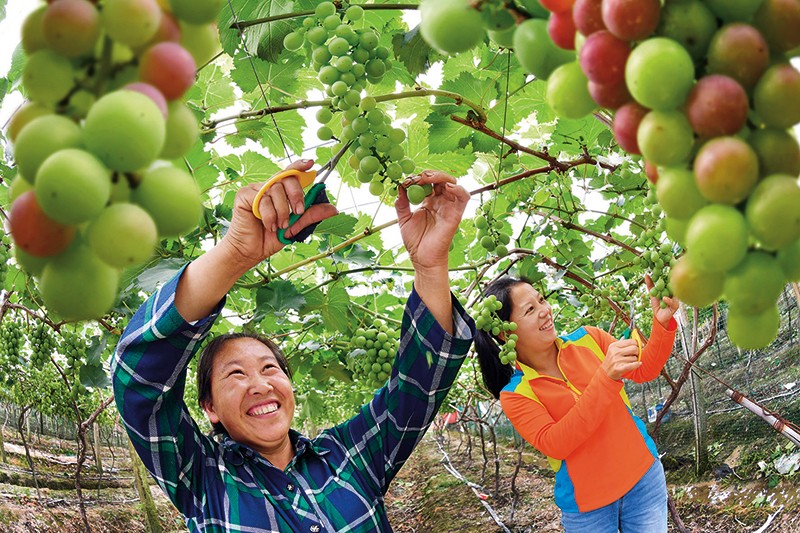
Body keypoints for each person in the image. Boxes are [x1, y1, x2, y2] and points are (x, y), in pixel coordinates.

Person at [112, 160, 474, 532]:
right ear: (210, 408)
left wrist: (430, 266)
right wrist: (236, 253)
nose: (261, 384)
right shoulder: (202, 479)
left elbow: (417, 386)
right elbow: (138, 379)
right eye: (235, 374)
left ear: (289, 386)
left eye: (270, 368)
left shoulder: (348, 455)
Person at [475, 276, 679, 533]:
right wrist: (605, 377)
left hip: (644, 481)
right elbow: (556, 443)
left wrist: (662, 324)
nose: (545, 311)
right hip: (588, 510)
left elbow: (645, 369)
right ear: (506, 333)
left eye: (541, 300)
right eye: (530, 310)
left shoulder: (589, 338)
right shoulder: (516, 393)